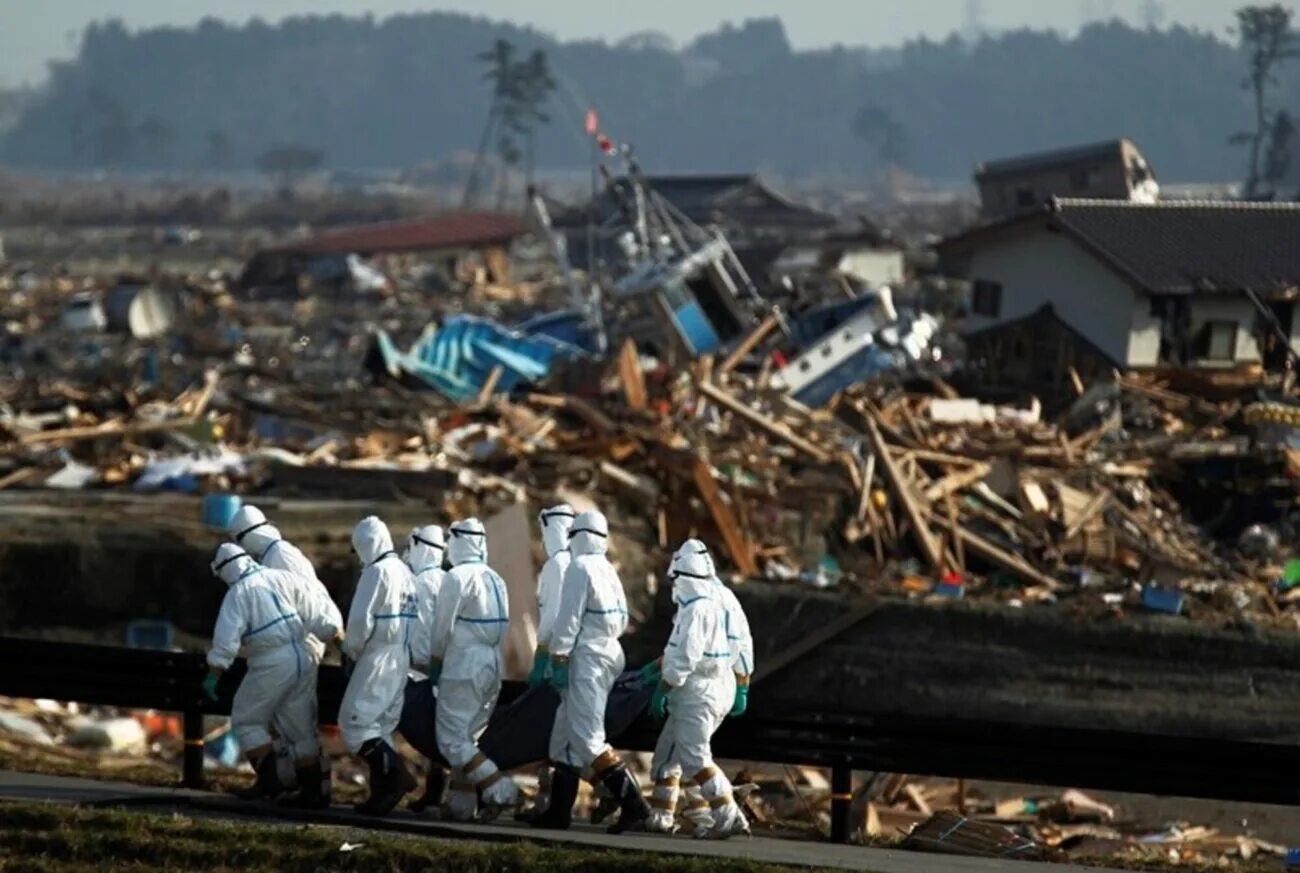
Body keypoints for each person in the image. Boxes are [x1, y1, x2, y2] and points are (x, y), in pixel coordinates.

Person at [532, 508, 650, 833]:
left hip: (587, 656)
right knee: (563, 739)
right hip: (609, 650)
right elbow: (624, 618)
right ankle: (558, 813)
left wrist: (557, 658)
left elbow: (568, 621)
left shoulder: (578, 568)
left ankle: (635, 806)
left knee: (587, 738)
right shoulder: (608, 569)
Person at [202, 543, 342, 808]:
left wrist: (214, 673)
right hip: (303, 655)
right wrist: (338, 641)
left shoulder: (238, 594)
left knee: (247, 719)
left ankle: (270, 782)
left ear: (226, 569)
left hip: (271, 661)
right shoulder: (282, 577)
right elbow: (317, 613)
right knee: (300, 728)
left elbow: (226, 643)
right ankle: (314, 793)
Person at [645, 548, 748, 840]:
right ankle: (661, 816)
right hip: (701, 691)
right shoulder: (712, 605)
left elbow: (683, 658)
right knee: (667, 756)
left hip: (696, 693)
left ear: (682, 578)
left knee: (695, 757)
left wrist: (662, 689)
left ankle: (727, 815)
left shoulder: (695, 611)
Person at [426, 518, 519, 821]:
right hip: (492, 664)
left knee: (451, 739)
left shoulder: (457, 577)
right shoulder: (496, 578)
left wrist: (436, 661)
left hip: (463, 664)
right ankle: (461, 805)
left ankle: (501, 790)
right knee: (469, 739)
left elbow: (442, 628)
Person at [339, 516, 418, 816]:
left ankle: (399, 775)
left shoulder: (376, 572)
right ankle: (381, 796)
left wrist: (351, 652)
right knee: (380, 727)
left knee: (354, 725)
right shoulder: (405, 572)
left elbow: (360, 621)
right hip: (401, 656)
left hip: (379, 656)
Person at [405, 524, 449, 814]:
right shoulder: (448, 579)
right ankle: (436, 793)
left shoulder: (421, 583)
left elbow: (421, 631)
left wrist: (417, 662)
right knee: (445, 732)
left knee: (430, 733)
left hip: (425, 668)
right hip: (448, 666)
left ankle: (433, 793)